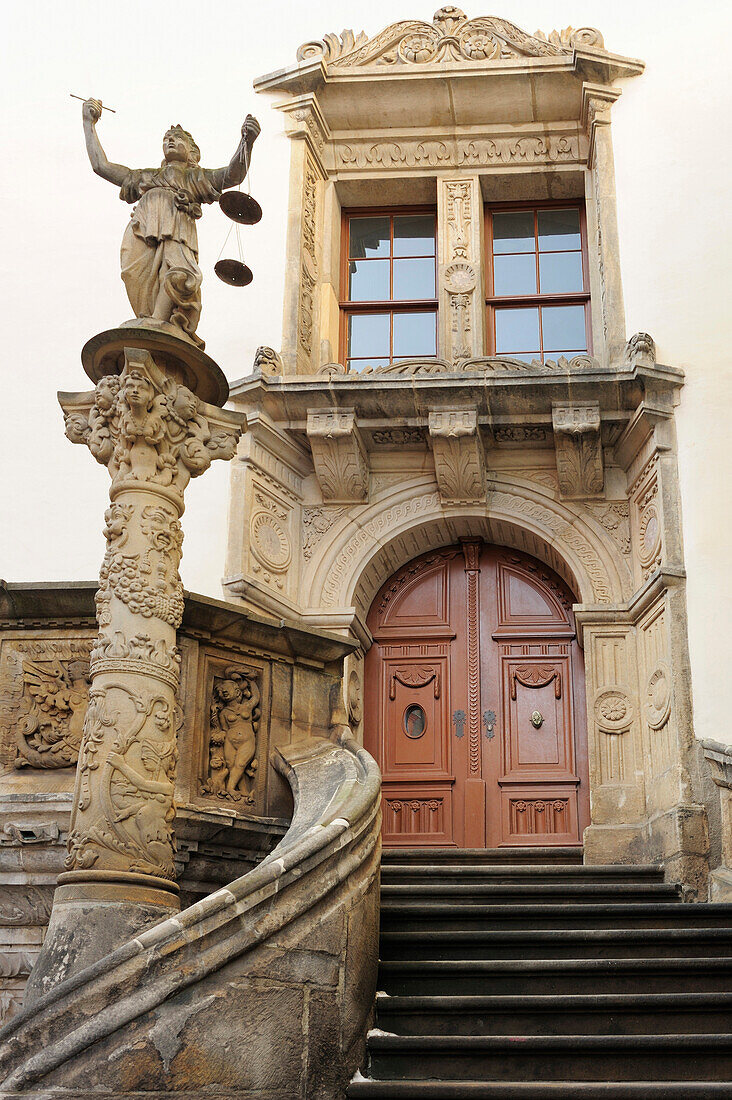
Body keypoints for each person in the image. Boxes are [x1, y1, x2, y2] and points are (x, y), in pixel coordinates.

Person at [82, 99, 260, 348]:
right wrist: (88, 123)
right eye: (167, 138)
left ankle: (158, 321)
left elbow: (233, 174)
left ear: (193, 153)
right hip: (141, 232)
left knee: (182, 275)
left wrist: (246, 142)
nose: (170, 141)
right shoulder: (145, 176)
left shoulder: (195, 177)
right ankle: (149, 318)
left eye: (177, 138)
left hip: (177, 233)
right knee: (132, 274)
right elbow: (101, 166)